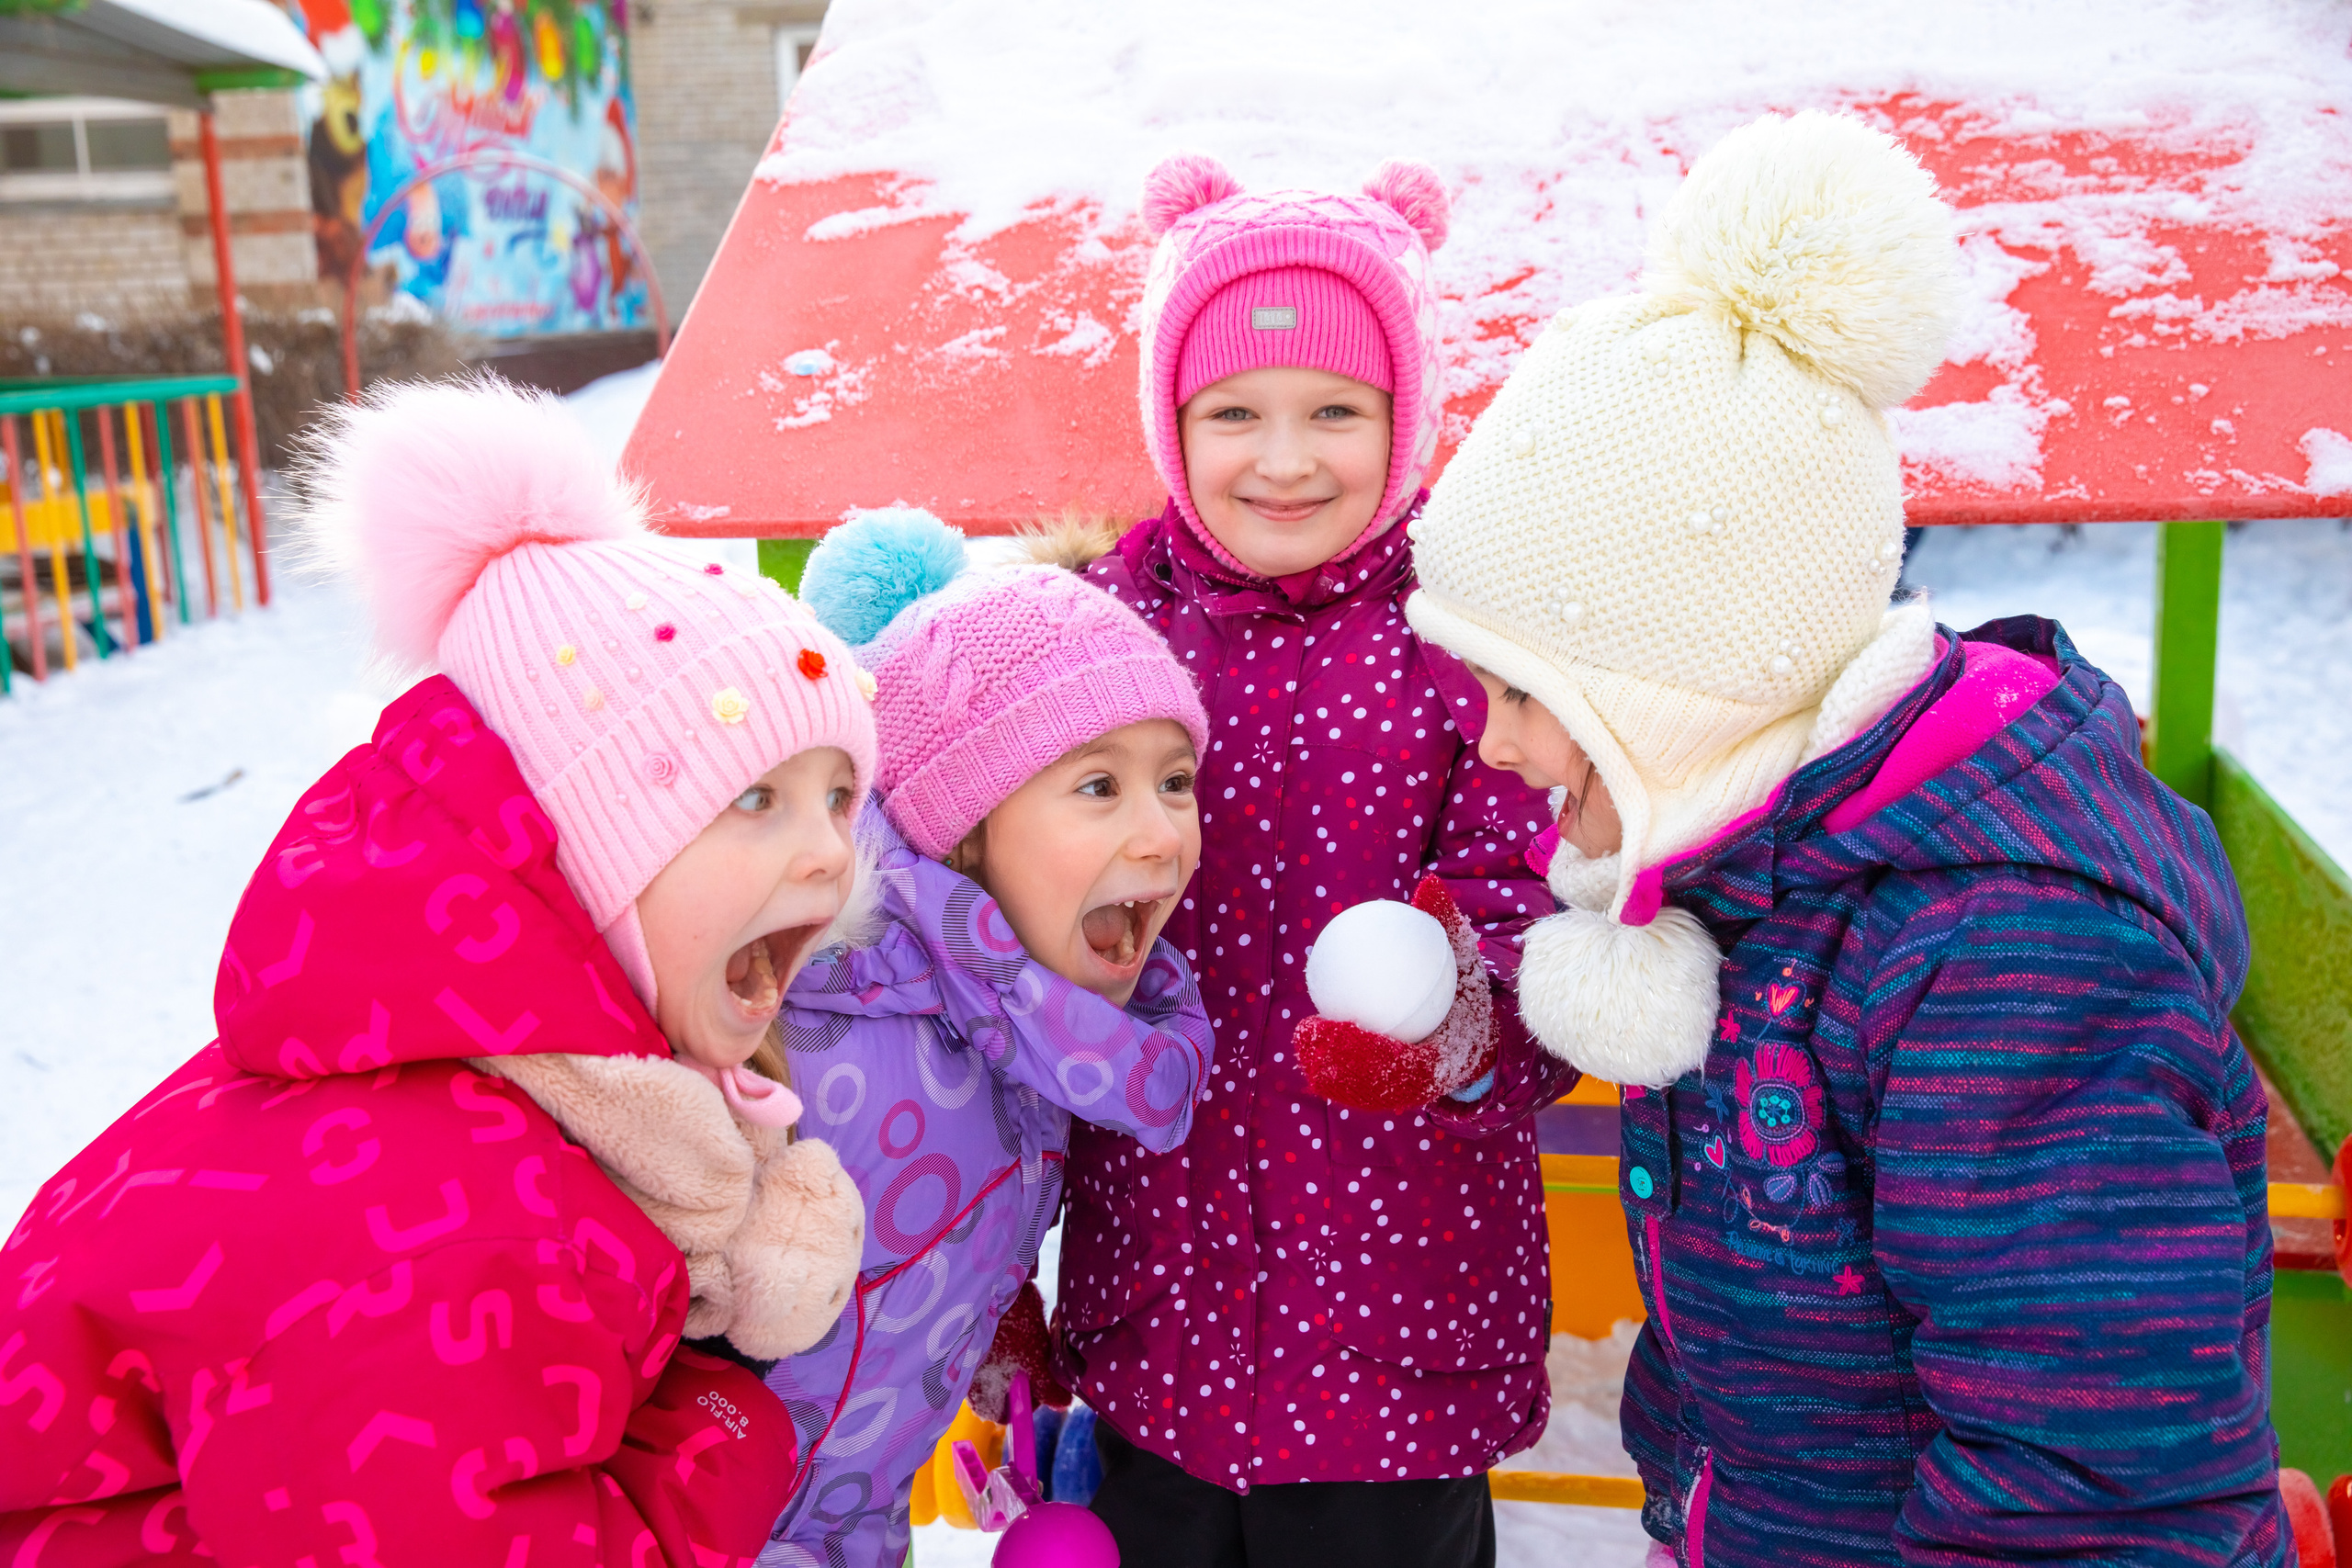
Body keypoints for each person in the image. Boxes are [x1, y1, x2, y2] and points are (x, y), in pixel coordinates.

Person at [1407, 111, 2284, 1566]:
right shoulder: (1759, 882)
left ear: (1681, 685)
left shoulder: (2007, 956)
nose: (1493, 743)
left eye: (1522, 690)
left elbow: (2093, 1475)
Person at [0, 378, 871, 1566]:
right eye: (755, 800)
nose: (828, 846)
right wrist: (720, 1430)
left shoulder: (436, 1067)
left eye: (836, 796)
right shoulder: (439, 1232)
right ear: (587, 845)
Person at [1056, 152, 1566, 1568]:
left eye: (1335, 411)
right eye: (1234, 413)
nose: (1283, 460)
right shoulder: (1105, 631)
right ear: (1174, 422)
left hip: (1398, 1301)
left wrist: (1461, 1026)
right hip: (1163, 1283)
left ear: (1404, 425)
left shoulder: (1469, 642)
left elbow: (1545, 896)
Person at [757, 511, 1217, 1566]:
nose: (1162, 832)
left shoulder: (1030, 1014)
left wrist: (988, 1311)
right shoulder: (810, 1023)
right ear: (964, 827)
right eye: (1098, 786)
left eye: (1175, 781)